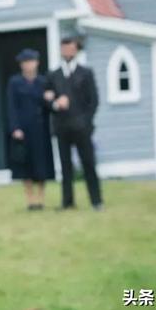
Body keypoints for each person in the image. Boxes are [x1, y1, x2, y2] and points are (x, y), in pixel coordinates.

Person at [45, 37, 103, 211]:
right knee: (65, 166)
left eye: (70, 48)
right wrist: (55, 103)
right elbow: (46, 100)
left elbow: (94, 101)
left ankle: (96, 201)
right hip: (62, 127)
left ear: (76, 50)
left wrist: (86, 122)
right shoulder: (53, 75)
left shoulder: (86, 73)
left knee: (88, 164)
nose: (67, 52)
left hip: (82, 128)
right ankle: (67, 202)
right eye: (64, 48)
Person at [6, 48, 55, 210]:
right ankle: (30, 200)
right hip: (23, 129)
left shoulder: (43, 82)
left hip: (41, 129)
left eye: (31, 61)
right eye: (25, 62)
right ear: (21, 65)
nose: (29, 65)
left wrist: (49, 99)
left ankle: (41, 199)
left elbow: (50, 106)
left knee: (42, 163)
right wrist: (15, 128)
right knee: (25, 165)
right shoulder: (14, 82)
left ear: (37, 63)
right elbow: (11, 106)